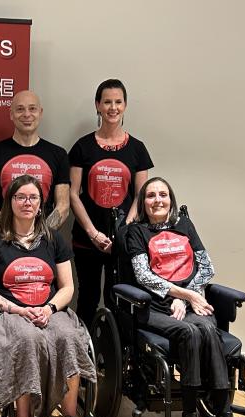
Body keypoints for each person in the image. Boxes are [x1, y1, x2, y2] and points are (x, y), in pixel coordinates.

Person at [126, 177, 245, 417]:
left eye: (163, 194)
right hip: (156, 308)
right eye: (150, 195)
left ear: (171, 198)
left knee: (208, 326)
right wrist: (178, 297)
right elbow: (143, 276)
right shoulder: (136, 233)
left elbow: (206, 267)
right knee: (193, 332)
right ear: (143, 202)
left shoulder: (185, 226)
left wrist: (186, 297)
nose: (158, 200)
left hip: (189, 302)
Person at [0, 174, 96, 417]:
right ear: (10, 202)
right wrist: (17, 309)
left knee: (69, 336)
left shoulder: (53, 240)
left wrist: (50, 308)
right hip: (9, 312)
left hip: (49, 309)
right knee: (26, 339)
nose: (27, 203)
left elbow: (67, 287)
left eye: (33, 198)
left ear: (41, 204)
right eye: (20, 197)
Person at [69, 78, 154, 328]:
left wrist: (122, 231)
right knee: (87, 297)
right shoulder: (82, 147)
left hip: (123, 240)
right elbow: (73, 193)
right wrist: (93, 233)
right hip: (87, 239)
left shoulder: (137, 149)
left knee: (117, 299)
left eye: (118, 102)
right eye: (107, 102)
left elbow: (141, 196)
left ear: (125, 106)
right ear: (98, 105)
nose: (112, 107)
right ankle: (84, 354)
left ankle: (114, 359)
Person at [0, 90, 70, 229]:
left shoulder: (58, 154)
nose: (27, 115)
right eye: (20, 109)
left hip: (44, 243)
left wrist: (38, 238)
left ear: (40, 112)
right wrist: (12, 237)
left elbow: (63, 206)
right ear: (11, 114)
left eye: (32, 109)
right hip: (4, 242)